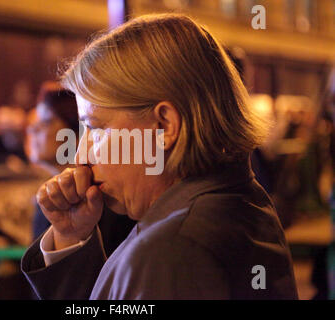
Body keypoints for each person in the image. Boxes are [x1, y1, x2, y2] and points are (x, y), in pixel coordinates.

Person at [21, 14, 298, 300]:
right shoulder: (236, 203)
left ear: (164, 126)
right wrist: (71, 238)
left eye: (95, 128)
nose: (80, 156)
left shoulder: (172, 249)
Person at [27, 81, 135, 255]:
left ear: (77, 132)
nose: (32, 129)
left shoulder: (106, 199)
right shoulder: (52, 196)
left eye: (46, 121)